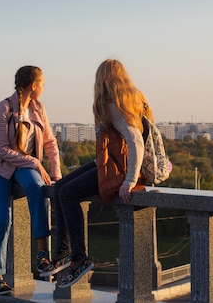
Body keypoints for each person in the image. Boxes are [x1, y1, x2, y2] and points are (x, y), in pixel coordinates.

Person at [46, 59, 150, 288]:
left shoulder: (114, 104)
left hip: (121, 170)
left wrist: (129, 181)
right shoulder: (130, 99)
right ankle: (64, 253)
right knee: (61, 187)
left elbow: (135, 142)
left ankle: (79, 259)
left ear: (103, 79)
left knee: (68, 193)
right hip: (112, 164)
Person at [0, 65, 62, 295]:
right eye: (43, 84)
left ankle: (42, 256)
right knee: (2, 221)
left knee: (36, 187)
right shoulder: (4, 108)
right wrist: (37, 163)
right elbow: (0, 150)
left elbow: (50, 142)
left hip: (24, 166)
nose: (44, 88)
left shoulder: (39, 108)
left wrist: (55, 173)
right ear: (33, 86)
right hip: (0, 168)